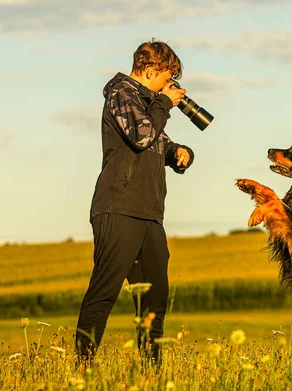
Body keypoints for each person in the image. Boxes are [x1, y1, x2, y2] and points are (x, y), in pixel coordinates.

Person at [75, 40, 193, 364]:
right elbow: (142, 135)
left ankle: (151, 368)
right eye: (166, 78)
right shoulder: (121, 93)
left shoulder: (149, 103)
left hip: (150, 213)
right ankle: (82, 366)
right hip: (118, 206)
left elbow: (158, 141)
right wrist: (165, 103)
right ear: (149, 69)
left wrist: (180, 153)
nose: (168, 86)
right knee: (105, 290)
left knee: (156, 295)